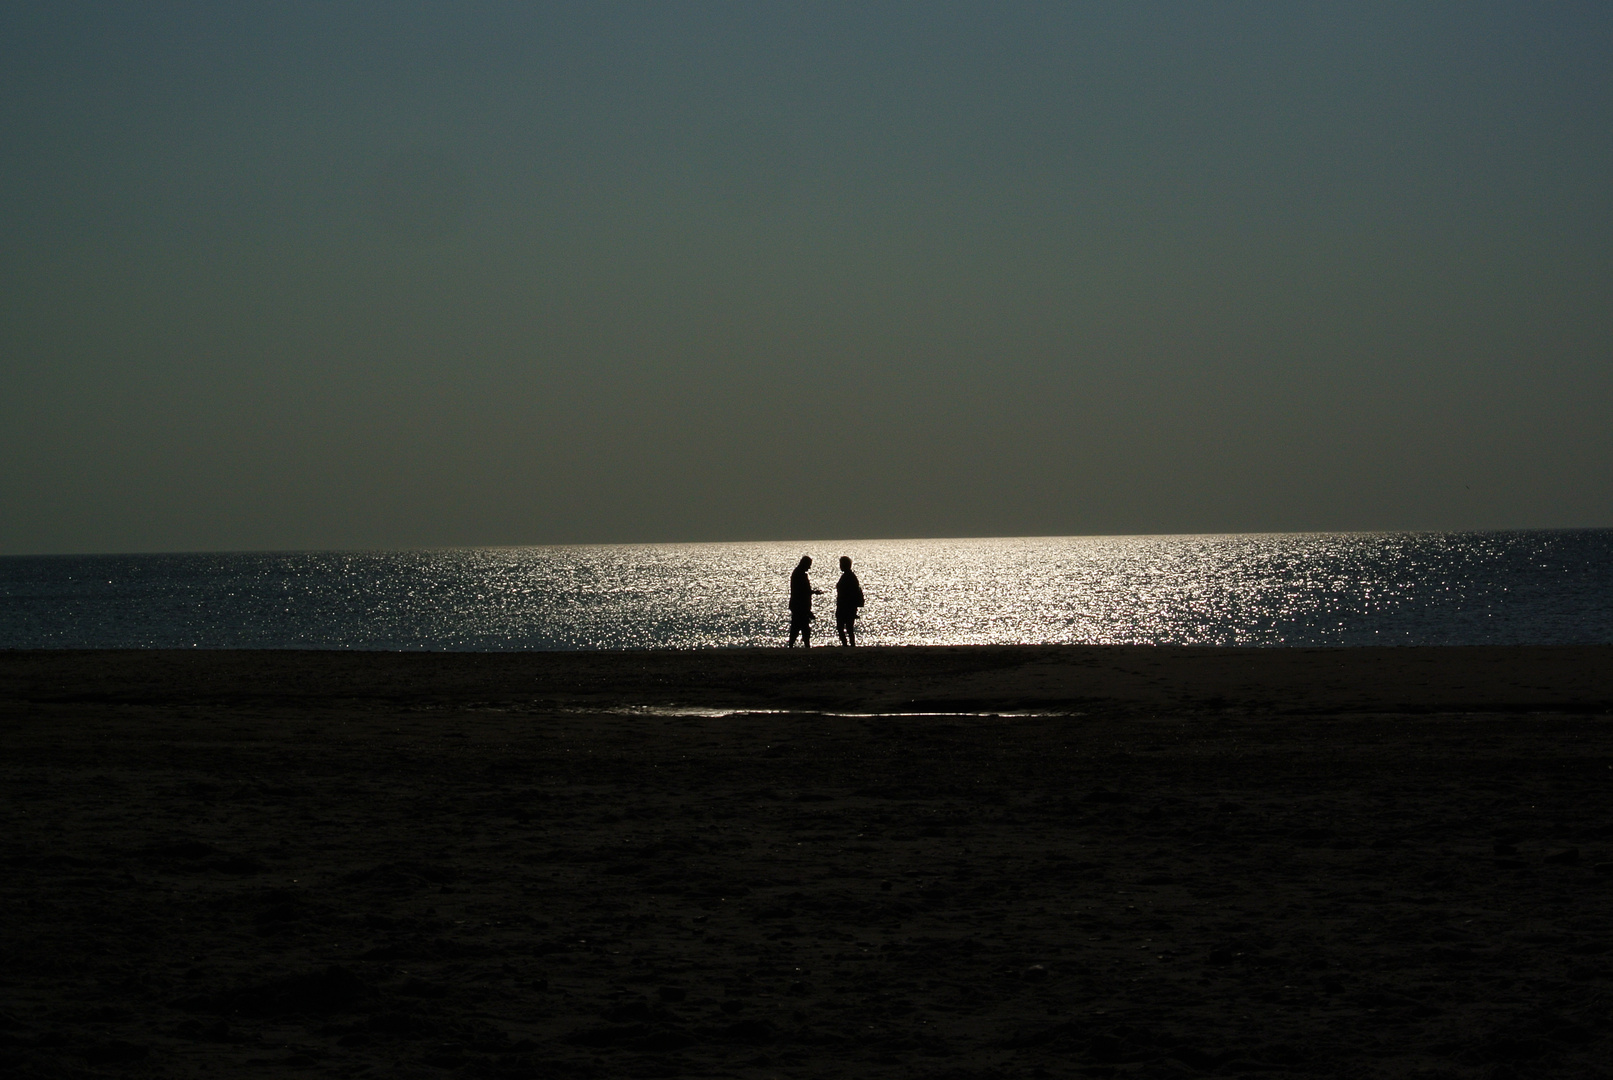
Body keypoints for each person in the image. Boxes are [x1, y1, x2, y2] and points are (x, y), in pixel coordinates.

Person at [787, 555, 822, 647]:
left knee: (798, 626)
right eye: (809, 565)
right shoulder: (799, 574)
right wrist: (812, 592)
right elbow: (802, 591)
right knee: (801, 626)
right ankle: (803, 645)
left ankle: (795, 645)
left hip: (798, 605)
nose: (809, 567)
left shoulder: (798, 573)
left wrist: (813, 592)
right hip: (800, 605)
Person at [835, 556, 864, 646]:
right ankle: (849, 644)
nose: (840, 566)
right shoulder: (849, 576)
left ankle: (848, 645)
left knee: (844, 627)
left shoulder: (848, 577)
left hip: (846, 606)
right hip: (847, 606)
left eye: (841, 564)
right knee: (848, 627)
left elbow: (850, 592)